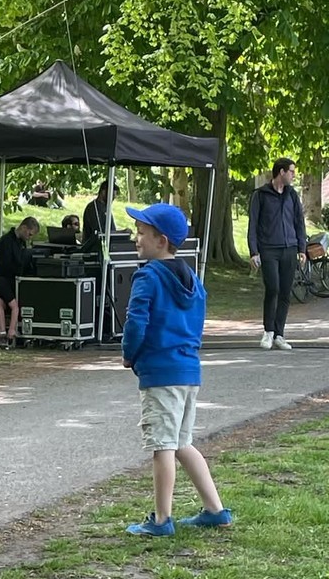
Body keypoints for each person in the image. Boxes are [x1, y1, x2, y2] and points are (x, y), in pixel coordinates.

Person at [121, 203, 232, 537]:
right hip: (188, 371)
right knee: (182, 442)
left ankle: (161, 520)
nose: (136, 238)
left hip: (161, 373)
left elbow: (136, 321)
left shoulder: (147, 276)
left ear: (162, 241)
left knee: (163, 446)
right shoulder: (193, 281)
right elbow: (196, 324)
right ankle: (215, 510)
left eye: (142, 233)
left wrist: (129, 355)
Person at [247, 157, 306, 351]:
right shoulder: (260, 195)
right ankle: (268, 332)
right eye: (291, 171)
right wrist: (254, 251)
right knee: (273, 288)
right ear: (281, 172)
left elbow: (299, 222)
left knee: (285, 292)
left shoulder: (292, 195)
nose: (293, 175)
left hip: (290, 248)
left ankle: (279, 334)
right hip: (269, 249)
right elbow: (253, 224)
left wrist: (302, 249)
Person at [0, 216, 39, 295]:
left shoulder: (21, 242)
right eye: (29, 234)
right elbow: (5, 267)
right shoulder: (5, 242)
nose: (29, 238)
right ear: (23, 228)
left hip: (16, 281)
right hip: (6, 284)